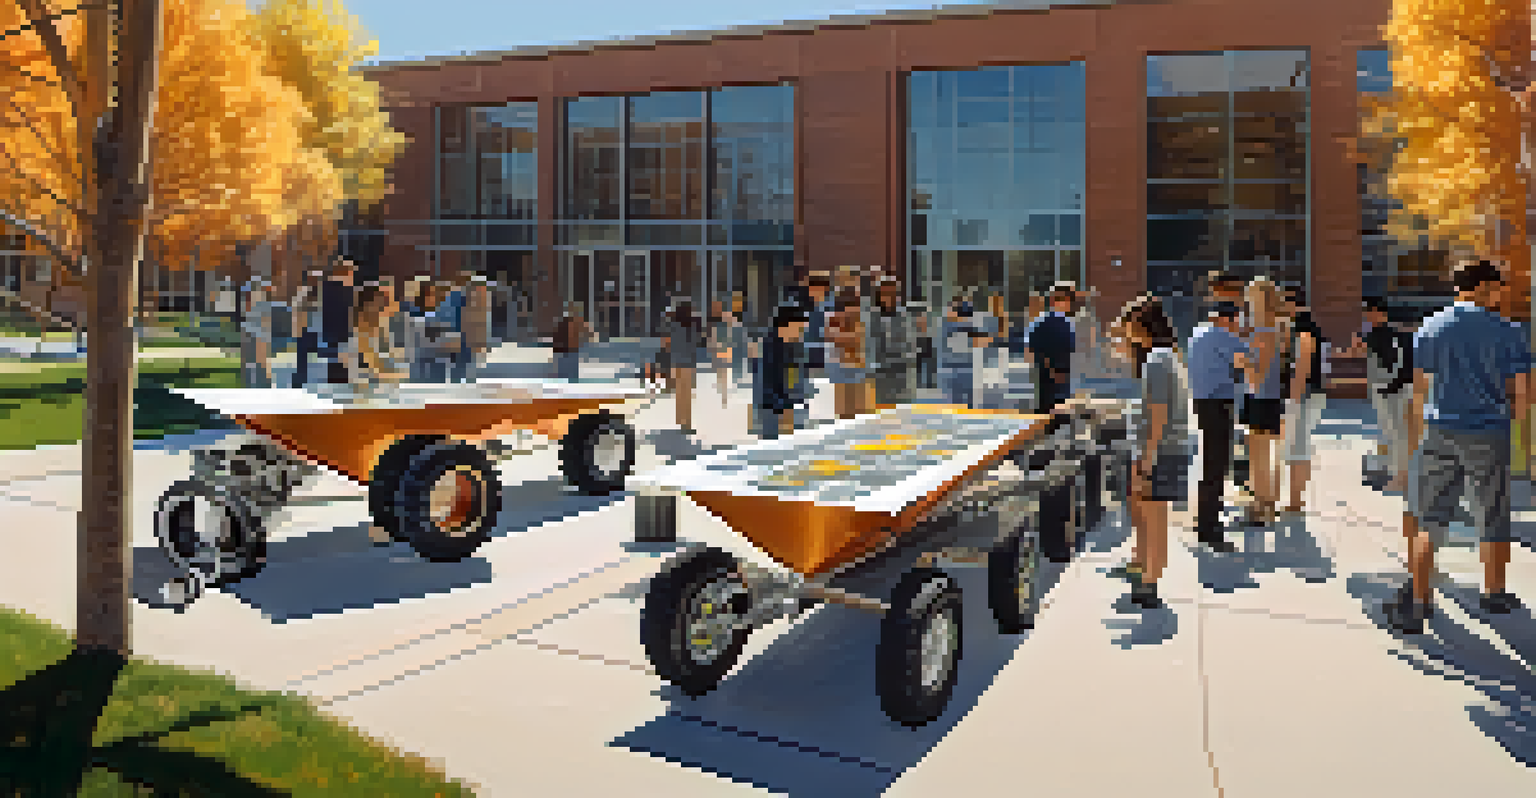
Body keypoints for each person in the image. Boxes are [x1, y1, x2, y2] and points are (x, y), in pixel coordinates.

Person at [1389, 258, 1532, 634]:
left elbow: (1418, 391)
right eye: (1498, 287)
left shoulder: (1431, 326)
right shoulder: (1510, 331)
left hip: (1438, 430)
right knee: (1493, 513)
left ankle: (1419, 602)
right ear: (1485, 286)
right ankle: (1494, 592)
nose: (1502, 293)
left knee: (1429, 518)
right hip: (1489, 431)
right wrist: (1518, 437)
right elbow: (1522, 393)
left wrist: (1414, 442)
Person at [1111, 293, 1191, 609]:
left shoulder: (1158, 360)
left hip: (1160, 451)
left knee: (1154, 517)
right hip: (1157, 449)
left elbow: (1158, 415)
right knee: (1144, 514)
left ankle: (1150, 583)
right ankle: (1141, 567)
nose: (1126, 335)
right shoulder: (1166, 355)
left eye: (1129, 327)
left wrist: (1145, 462)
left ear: (1143, 326)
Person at [1188, 300, 1249, 553]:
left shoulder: (1197, 333)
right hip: (1219, 404)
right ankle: (1209, 528)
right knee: (1218, 465)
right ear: (1229, 318)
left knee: (1209, 463)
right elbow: (1246, 362)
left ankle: (1204, 519)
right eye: (1236, 319)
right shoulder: (1226, 337)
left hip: (1202, 402)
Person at [1236, 278, 1286, 526]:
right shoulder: (1270, 328)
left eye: (1252, 296)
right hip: (1262, 398)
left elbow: (1259, 374)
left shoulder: (1265, 331)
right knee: (1259, 456)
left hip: (1262, 398)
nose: (1247, 301)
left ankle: (1262, 508)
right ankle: (1263, 506)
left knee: (1258, 457)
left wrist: (1241, 362)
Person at [1352, 296, 1414, 492]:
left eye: (1367, 311)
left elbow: (1358, 352)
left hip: (1391, 391)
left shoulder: (1379, 334)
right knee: (1398, 434)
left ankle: (1400, 479)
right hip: (1399, 388)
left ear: (1378, 312)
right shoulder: (1396, 333)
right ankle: (1400, 475)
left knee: (1397, 435)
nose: (1365, 316)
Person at [1280, 287, 1327, 515]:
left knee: (1297, 448)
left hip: (1304, 395)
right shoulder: (1305, 326)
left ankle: (1295, 502)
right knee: (1299, 446)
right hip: (1308, 393)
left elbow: (1302, 368)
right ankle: (1296, 499)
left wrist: (1293, 402)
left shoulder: (1302, 329)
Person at [1025, 281, 1079, 413]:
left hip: (1061, 379)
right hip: (1049, 381)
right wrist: (1052, 371)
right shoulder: (1045, 324)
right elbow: (1036, 350)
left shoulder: (1067, 324)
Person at [758, 304, 810, 440]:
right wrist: (783, 407)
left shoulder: (791, 347)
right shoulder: (769, 349)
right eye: (798, 329)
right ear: (785, 326)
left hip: (787, 405)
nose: (800, 334)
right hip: (773, 409)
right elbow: (766, 383)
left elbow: (793, 377)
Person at [346, 284, 411, 388]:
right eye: (382, 306)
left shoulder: (385, 332)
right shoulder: (357, 340)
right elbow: (370, 371)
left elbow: (401, 362)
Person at [871, 277, 918, 406]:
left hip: (900, 372)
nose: (888, 296)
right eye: (884, 292)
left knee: (902, 410)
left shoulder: (904, 317)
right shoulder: (871, 317)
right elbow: (870, 344)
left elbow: (909, 344)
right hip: (879, 374)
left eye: (892, 292)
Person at [827, 283, 870, 419]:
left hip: (856, 364)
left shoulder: (860, 318)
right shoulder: (835, 317)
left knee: (860, 411)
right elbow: (834, 337)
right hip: (844, 364)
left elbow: (859, 338)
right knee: (846, 411)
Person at [664, 299, 704, 434]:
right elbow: (698, 341)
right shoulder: (692, 325)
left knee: (679, 393)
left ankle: (680, 420)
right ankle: (686, 423)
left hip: (676, 362)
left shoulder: (673, 325)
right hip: (688, 363)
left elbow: (667, 343)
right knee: (687, 394)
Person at [940, 295, 985, 408]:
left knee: (958, 404)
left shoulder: (948, 325)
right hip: (961, 369)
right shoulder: (955, 325)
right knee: (963, 403)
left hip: (959, 369)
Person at [318, 258, 358, 385]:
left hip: (332, 332)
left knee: (335, 364)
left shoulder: (326, 287)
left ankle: (336, 382)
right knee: (341, 364)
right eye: (350, 271)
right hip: (342, 332)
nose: (352, 274)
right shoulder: (345, 289)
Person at [291, 270, 323, 388]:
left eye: (317, 279)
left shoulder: (323, 294)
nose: (315, 282)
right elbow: (297, 310)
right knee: (302, 359)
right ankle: (299, 382)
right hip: (305, 331)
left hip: (320, 332)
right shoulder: (302, 293)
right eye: (312, 279)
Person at [240, 280, 275, 388]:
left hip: (256, 335)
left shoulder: (263, 308)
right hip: (255, 336)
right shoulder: (262, 308)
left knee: (254, 368)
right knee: (253, 368)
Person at [552, 301, 590, 382]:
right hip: (567, 350)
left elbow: (584, 334)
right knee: (567, 375)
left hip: (569, 350)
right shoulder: (568, 322)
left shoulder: (574, 322)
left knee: (568, 375)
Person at [708, 300, 734, 408]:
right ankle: (723, 391)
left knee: (723, 370)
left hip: (724, 348)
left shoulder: (725, 322)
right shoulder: (716, 323)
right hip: (720, 348)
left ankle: (723, 392)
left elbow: (729, 335)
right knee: (721, 369)